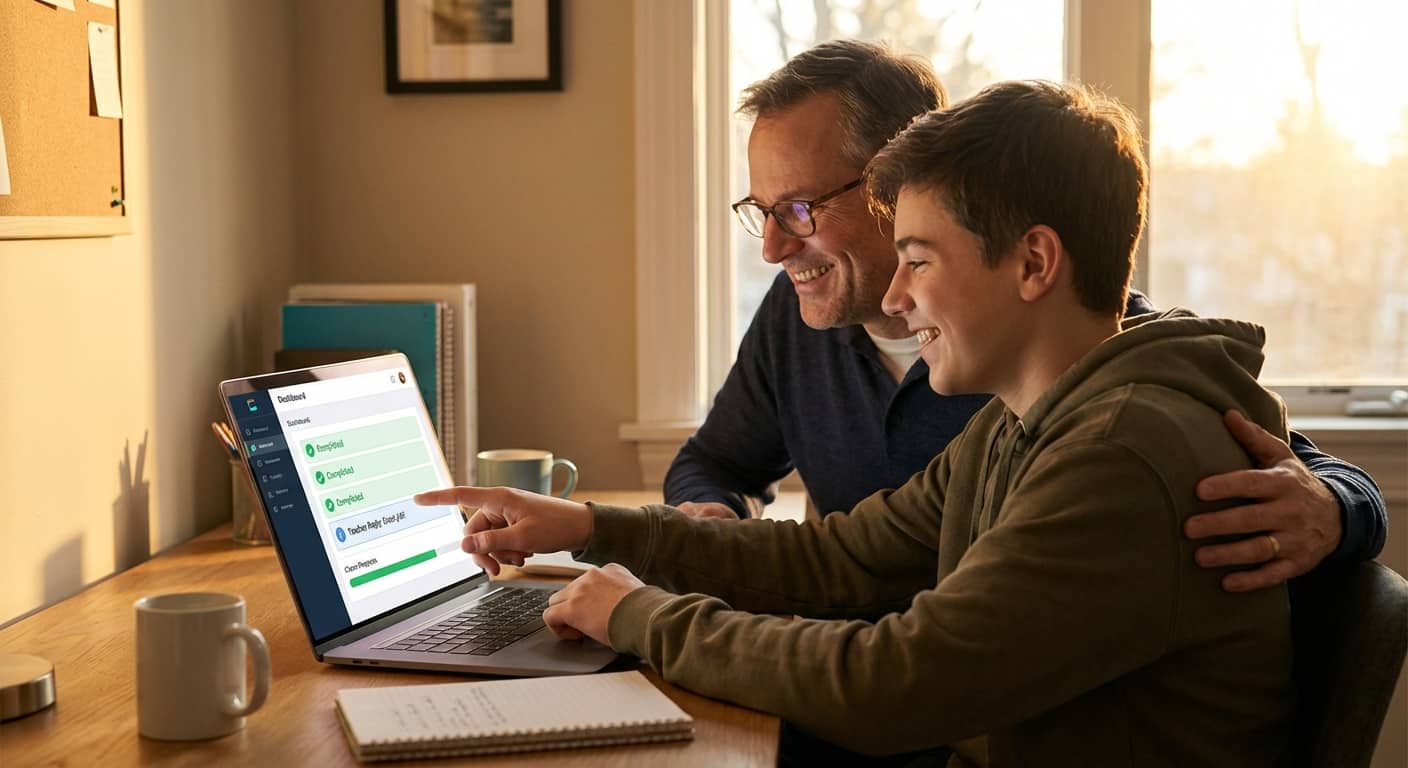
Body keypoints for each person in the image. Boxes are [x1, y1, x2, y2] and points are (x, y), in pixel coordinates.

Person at [418, 81, 1295, 765]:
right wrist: (592, 527)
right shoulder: (1023, 420)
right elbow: (832, 557)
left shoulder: (1119, 453)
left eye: (917, 259)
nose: (900, 294)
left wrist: (641, 615)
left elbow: (890, 684)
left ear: (1034, 261)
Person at [664, 40, 1385, 592]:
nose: (772, 247)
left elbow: (1323, 475)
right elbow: (716, 462)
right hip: (835, 682)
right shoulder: (800, 317)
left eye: (797, 209)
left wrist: (1336, 506)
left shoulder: (1075, 344)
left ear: (898, 179)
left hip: (950, 705)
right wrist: (711, 520)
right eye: (760, 211)